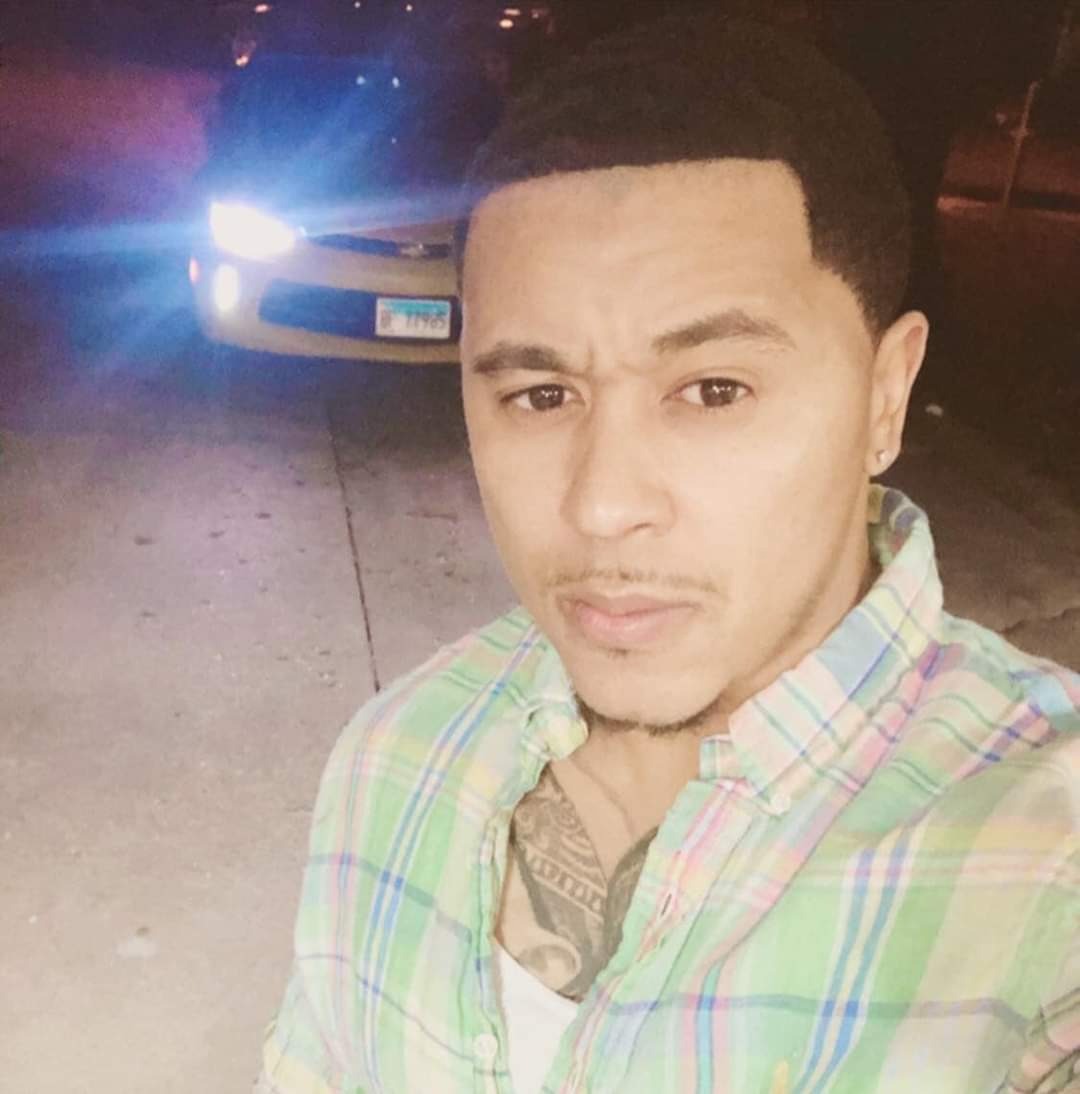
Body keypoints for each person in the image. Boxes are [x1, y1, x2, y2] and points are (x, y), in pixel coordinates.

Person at [255, 13, 1080, 1094]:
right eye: (539, 395)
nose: (602, 505)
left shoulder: (1044, 866)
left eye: (713, 389)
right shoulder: (397, 755)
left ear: (886, 395)